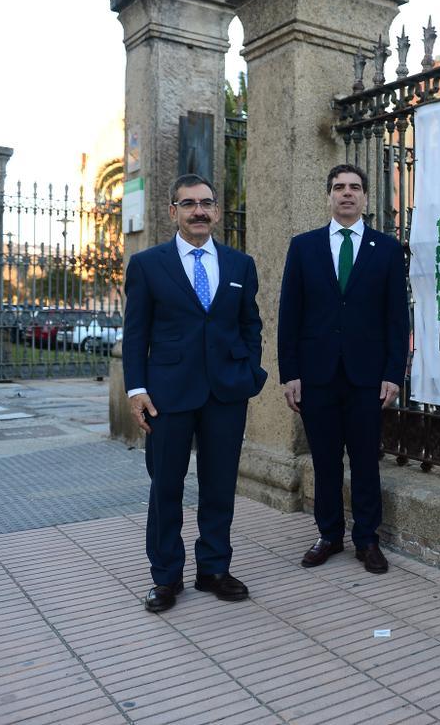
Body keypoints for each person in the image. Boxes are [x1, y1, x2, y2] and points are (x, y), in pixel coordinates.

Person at [123, 173, 267, 613]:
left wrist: (249, 372)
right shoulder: (148, 264)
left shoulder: (240, 265)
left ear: (217, 212)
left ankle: (214, 570)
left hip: (226, 393)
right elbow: (135, 334)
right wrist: (136, 389)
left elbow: (250, 324)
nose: (199, 211)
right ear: (173, 212)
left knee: (220, 486)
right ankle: (166, 578)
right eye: (188, 204)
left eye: (206, 203)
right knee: (166, 487)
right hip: (167, 396)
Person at [277, 163, 409, 574]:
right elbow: (289, 315)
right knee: (325, 460)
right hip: (317, 376)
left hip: (368, 378)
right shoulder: (304, 247)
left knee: (366, 460)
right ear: (328, 195)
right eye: (338, 187)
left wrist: (393, 373)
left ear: (366, 197)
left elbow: (396, 319)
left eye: (354, 187)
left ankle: (366, 539)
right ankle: (329, 534)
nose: (346, 193)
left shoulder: (386, 250)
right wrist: (289, 373)